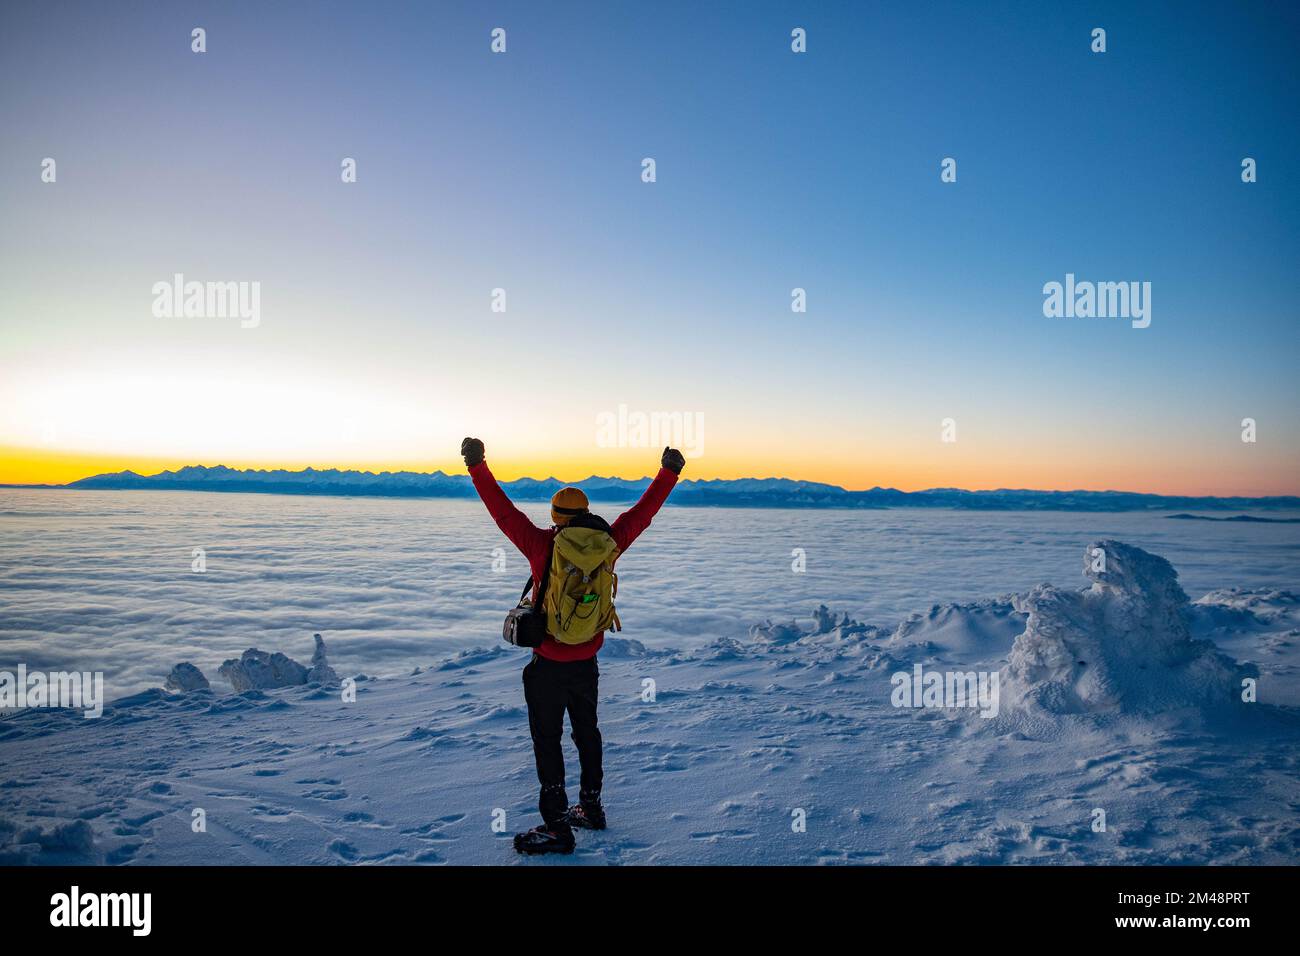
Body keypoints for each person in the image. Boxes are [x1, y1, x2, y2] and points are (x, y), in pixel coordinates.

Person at [461, 437, 685, 854]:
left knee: (547, 741)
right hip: (587, 662)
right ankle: (591, 808)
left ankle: (557, 829)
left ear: (555, 518)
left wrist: (477, 465)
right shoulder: (609, 544)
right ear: (585, 514)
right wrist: (668, 472)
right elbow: (642, 514)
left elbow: (502, 512)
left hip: (547, 663)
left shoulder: (542, 545)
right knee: (587, 733)